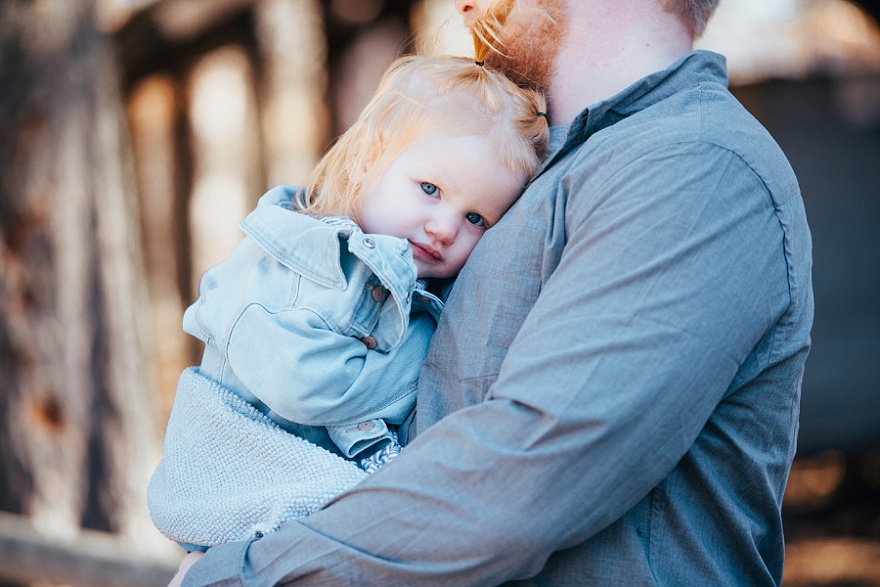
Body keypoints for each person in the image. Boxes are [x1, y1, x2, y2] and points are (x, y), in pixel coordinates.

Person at [171, 0, 814, 585]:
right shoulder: (535, 172)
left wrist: (245, 574)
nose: (465, 4)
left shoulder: (693, 166)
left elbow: (527, 474)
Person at [148, 2, 549, 554]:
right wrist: (431, 355)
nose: (443, 228)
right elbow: (304, 382)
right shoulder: (302, 260)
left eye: (475, 218)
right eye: (430, 189)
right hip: (241, 481)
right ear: (367, 161)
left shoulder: (415, 283)